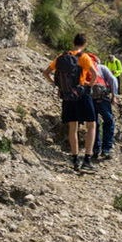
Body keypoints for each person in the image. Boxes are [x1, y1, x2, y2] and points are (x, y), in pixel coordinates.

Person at [42, 33, 98, 172]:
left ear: (73, 42)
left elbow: (46, 72)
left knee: (72, 127)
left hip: (67, 96)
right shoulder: (84, 57)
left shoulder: (61, 56)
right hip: (82, 94)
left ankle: (74, 160)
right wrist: (88, 86)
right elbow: (95, 75)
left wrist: (57, 86)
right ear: (85, 44)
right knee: (91, 125)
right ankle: (87, 160)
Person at [88, 55, 119, 160]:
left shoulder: (83, 68)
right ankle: (106, 150)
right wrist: (114, 96)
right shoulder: (102, 67)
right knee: (109, 121)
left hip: (89, 99)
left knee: (94, 124)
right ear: (97, 60)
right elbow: (113, 80)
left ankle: (95, 150)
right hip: (103, 99)